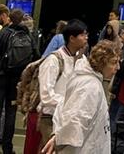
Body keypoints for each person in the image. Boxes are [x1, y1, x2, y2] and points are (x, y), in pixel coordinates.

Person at [41, 41, 117, 154]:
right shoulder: (89, 87)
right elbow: (74, 121)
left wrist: (58, 138)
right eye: (114, 63)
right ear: (102, 62)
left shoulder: (89, 81)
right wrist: (59, 140)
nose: (117, 67)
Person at [0, 7, 38, 154]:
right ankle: (8, 148)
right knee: (11, 113)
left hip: (0, 78)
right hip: (16, 80)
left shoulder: (3, 33)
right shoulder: (28, 36)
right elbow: (36, 58)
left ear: (10, 19)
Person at [37, 20, 88, 150]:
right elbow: (46, 95)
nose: (86, 38)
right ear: (71, 38)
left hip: (70, 118)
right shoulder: (53, 60)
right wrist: (67, 103)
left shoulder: (82, 60)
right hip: (50, 117)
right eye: (82, 35)